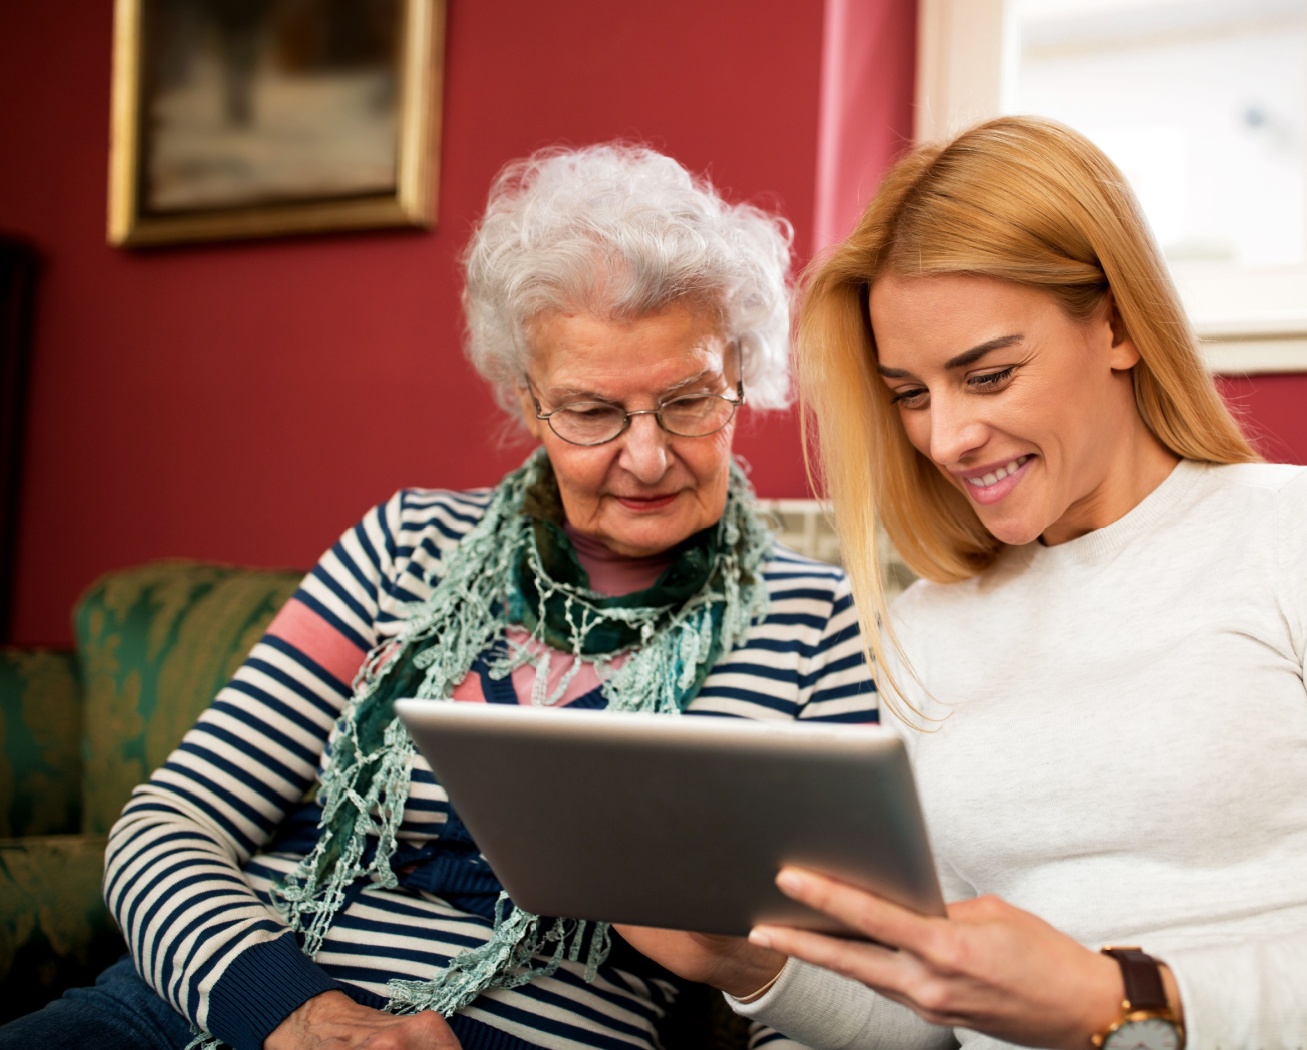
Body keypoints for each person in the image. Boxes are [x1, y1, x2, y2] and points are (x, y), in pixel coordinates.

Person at [627, 117, 1307, 1049]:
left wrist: (1123, 998)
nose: (945, 438)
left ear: (1115, 326)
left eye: (988, 375)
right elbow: (935, 1026)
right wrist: (753, 965)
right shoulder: (924, 627)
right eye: (911, 394)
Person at [0, 144, 875, 1050]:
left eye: (689, 401)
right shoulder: (403, 543)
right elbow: (165, 827)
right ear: (527, 401)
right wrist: (295, 1016)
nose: (647, 457)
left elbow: (837, 993)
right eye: (589, 411)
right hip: (206, 1010)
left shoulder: (818, 624)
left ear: (743, 375)